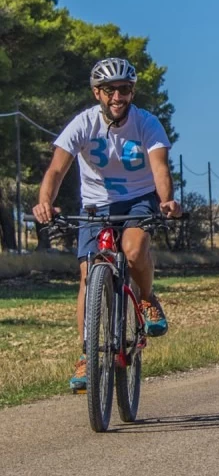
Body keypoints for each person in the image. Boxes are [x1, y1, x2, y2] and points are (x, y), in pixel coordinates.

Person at [32, 58, 181, 392]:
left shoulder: (147, 123)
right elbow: (56, 169)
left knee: (133, 251)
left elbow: (160, 168)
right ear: (97, 92)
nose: (118, 97)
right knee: (89, 274)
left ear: (133, 92)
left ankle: (146, 298)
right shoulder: (82, 123)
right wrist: (45, 201)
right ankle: (88, 353)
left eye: (125, 89)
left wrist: (167, 200)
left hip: (139, 199)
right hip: (95, 205)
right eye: (110, 90)